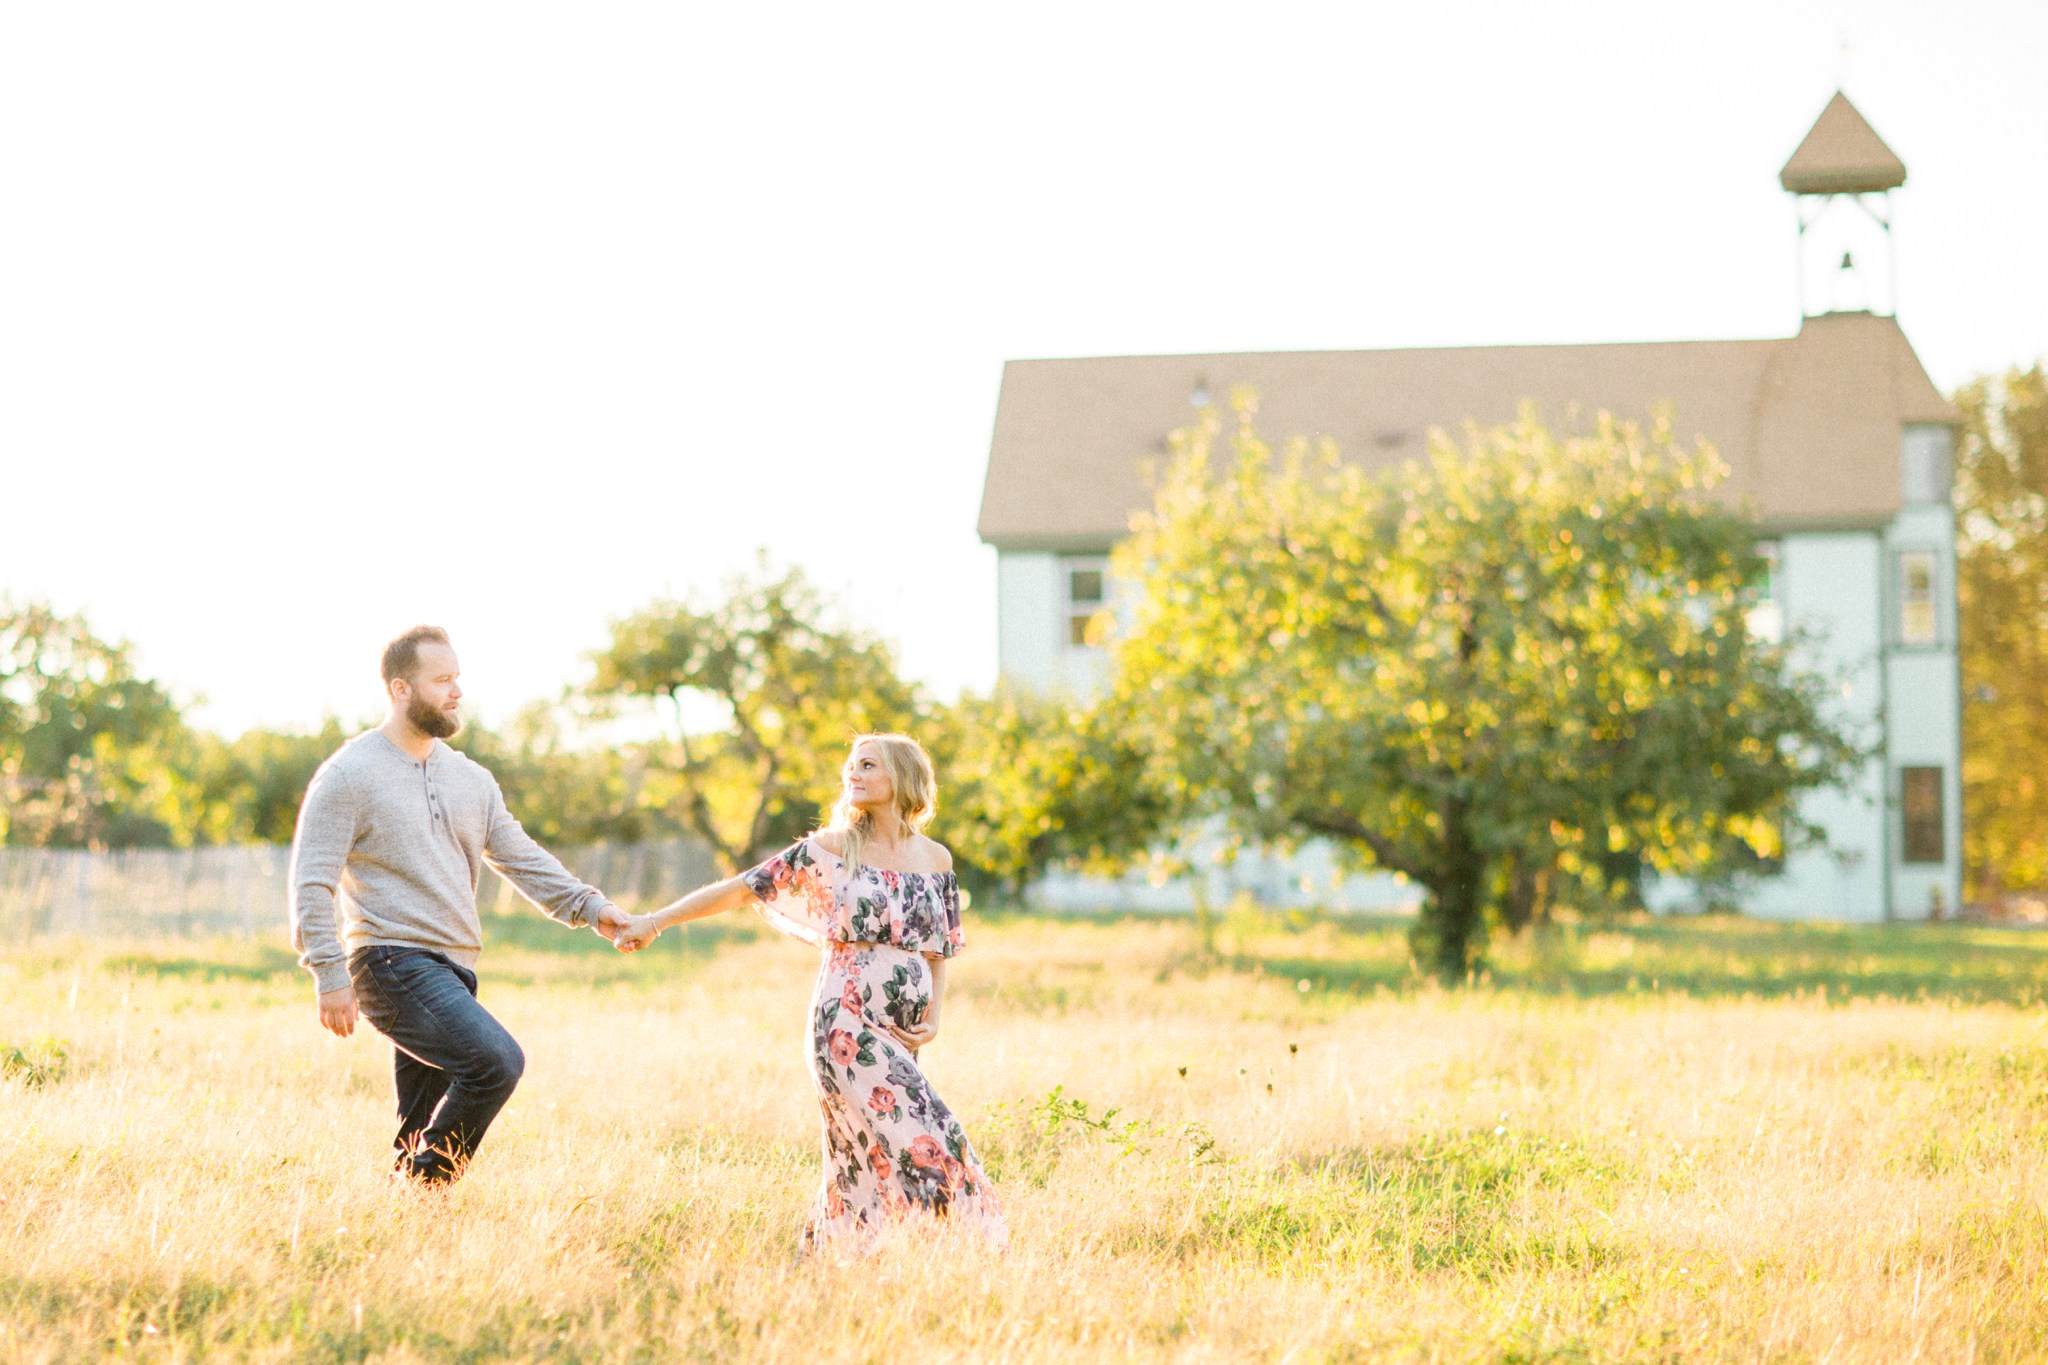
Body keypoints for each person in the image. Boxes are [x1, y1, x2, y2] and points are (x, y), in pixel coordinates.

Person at [614, 733, 1006, 1253]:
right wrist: (655, 921)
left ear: (903, 777)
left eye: (868, 765)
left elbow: (940, 948)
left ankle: (834, 1263)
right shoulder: (833, 848)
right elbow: (743, 887)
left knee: (859, 1153)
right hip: (844, 1023)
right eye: (851, 765)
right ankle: (980, 1246)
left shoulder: (935, 858)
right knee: (931, 1136)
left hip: (902, 1031)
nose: (853, 774)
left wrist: (934, 1014)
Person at [289, 625, 630, 1184]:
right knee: (495, 1062)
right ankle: (430, 1186)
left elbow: (520, 858)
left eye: (458, 679)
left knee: (418, 1122)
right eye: (442, 680)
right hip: (389, 960)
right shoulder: (349, 775)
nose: (457, 692)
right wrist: (328, 972)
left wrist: (592, 908)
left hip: (454, 968)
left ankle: (410, 1216)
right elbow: (312, 881)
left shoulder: (472, 779)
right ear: (400, 688)